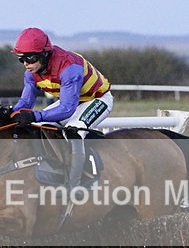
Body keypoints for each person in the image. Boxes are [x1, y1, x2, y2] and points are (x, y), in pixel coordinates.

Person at [9, 27, 113, 192]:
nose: (26, 64)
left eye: (30, 58)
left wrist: (35, 115)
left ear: (44, 54)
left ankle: (75, 186)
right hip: (71, 100)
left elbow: (67, 108)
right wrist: (11, 114)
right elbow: (26, 103)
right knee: (39, 126)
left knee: (74, 132)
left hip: (97, 99)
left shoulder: (69, 67)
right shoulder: (31, 72)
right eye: (21, 59)